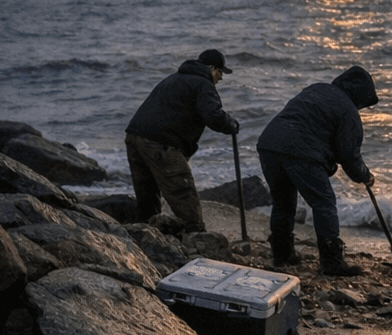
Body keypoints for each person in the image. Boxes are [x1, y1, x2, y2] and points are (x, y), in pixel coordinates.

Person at [256, 65, 378, 276]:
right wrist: (365, 176)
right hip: (301, 151)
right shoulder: (348, 111)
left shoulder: (317, 89)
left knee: (283, 203)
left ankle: (282, 255)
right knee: (324, 203)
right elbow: (349, 156)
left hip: (269, 143)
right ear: (359, 95)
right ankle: (332, 262)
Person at [124, 48, 239, 233]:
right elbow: (212, 115)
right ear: (211, 68)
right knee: (183, 193)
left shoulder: (173, 79)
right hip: (160, 143)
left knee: (147, 196)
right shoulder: (202, 83)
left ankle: (145, 236)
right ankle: (196, 240)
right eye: (220, 71)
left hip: (134, 138)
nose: (221, 77)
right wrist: (231, 124)